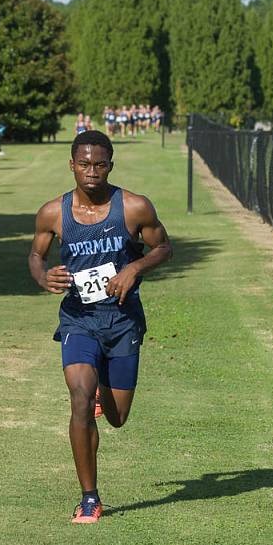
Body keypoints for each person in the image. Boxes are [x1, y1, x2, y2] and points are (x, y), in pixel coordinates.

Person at [27, 130, 173, 524]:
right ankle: (89, 497)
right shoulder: (53, 213)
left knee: (117, 417)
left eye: (100, 164)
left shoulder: (134, 207)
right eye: (84, 164)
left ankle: (101, 392)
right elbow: (36, 255)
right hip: (79, 318)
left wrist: (134, 267)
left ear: (110, 164)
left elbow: (163, 246)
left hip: (123, 320)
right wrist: (43, 277)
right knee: (78, 398)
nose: (92, 172)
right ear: (72, 165)